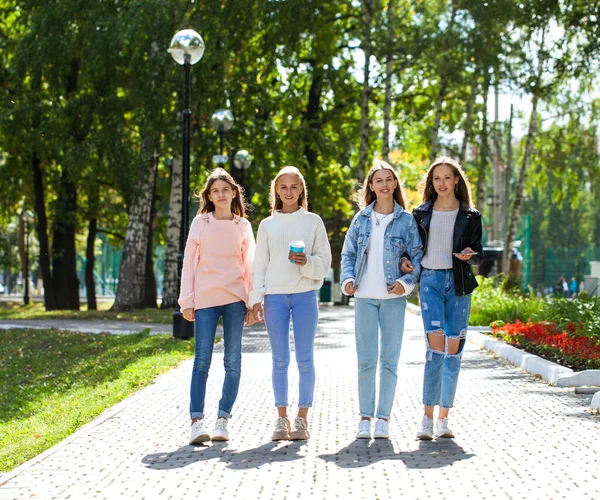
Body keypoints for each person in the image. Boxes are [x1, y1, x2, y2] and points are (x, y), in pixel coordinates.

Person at [401, 156, 483, 440]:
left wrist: (471, 255)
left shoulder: (471, 215)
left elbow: (479, 253)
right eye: (437, 178)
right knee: (434, 351)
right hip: (431, 283)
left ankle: (444, 419)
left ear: (457, 180)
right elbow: (410, 249)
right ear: (431, 182)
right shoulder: (420, 213)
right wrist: (404, 261)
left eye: (447, 177)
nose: (442, 183)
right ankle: (426, 417)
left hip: (459, 284)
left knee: (453, 352)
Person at [340, 160, 423, 440]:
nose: (385, 184)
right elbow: (348, 254)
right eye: (379, 180)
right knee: (366, 360)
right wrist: (347, 280)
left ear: (395, 184)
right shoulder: (361, 219)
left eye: (389, 179)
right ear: (371, 187)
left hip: (392, 298)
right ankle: (365, 417)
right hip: (364, 296)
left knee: (389, 360)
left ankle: (383, 419)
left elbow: (416, 257)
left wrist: (404, 283)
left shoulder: (407, 221)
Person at [250, 166, 332, 441]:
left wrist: (306, 262)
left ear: (301, 190)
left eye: (294, 187)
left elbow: (324, 263)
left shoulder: (313, 222)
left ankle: (302, 419)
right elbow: (259, 264)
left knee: (305, 358)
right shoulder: (266, 225)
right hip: (274, 298)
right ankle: (281, 418)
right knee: (280, 360)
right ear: (276, 190)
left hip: (305, 295)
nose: (288, 192)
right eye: (283, 187)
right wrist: (255, 299)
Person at [179, 168, 256, 444]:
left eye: (226, 189)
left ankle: (222, 420)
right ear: (209, 197)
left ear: (234, 193)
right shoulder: (201, 223)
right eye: (215, 191)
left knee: (233, 362)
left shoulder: (243, 226)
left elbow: (250, 267)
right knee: (202, 361)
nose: (221, 194)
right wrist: (187, 301)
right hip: (206, 300)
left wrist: (252, 300)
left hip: (235, 299)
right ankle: (196, 422)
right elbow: (189, 263)